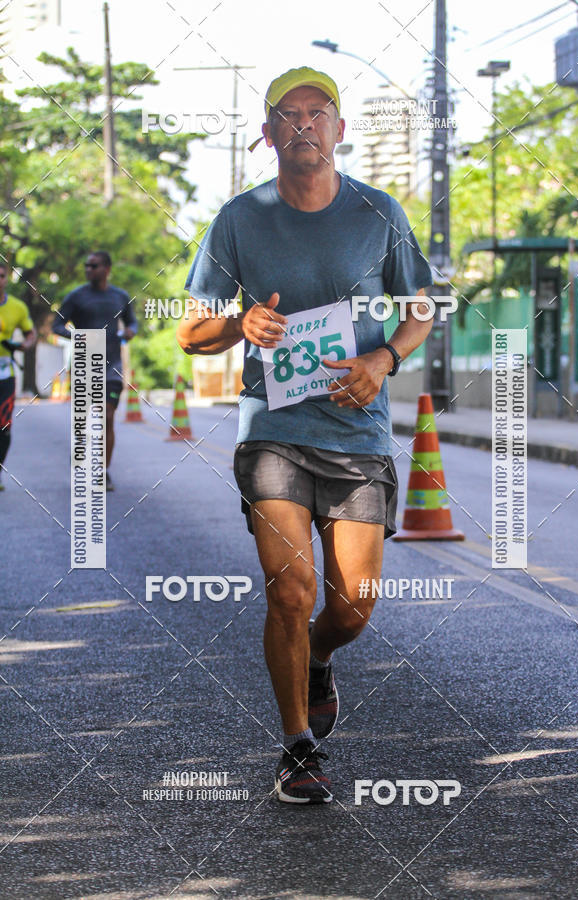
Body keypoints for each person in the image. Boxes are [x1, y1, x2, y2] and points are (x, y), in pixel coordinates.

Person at [177, 67, 433, 804]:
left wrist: (384, 358)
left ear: (339, 131)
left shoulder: (378, 211)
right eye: (287, 116)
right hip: (274, 431)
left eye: (317, 114)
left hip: (357, 430)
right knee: (288, 591)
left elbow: (420, 309)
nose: (303, 126)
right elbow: (191, 330)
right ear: (268, 136)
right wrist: (239, 323)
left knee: (352, 603)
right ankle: (296, 746)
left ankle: (320, 655)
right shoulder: (239, 218)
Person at [52, 251, 137, 491]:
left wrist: (131, 331)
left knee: (107, 416)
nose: (88, 269)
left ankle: (102, 472)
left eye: (94, 266)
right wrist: (78, 337)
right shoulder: (76, 296)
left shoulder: (120, 296)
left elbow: (133, 322)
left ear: (107, 269)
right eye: (87, 266)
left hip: (112, 368)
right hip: (84, 368)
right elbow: (56, 325)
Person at [0, 261, 37, 491]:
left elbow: (30, 333)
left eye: (1, 275)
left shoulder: (17, 307)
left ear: (6, 279)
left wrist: (23, 345)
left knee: (4, 426)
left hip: (5, 373)